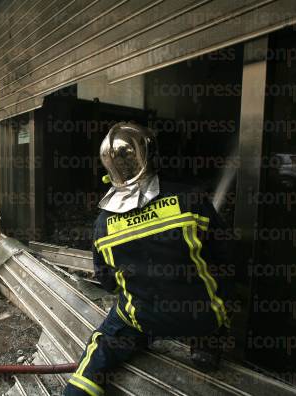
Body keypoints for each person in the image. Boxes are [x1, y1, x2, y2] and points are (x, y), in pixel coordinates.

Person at [64, 123, 232, 396]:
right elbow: (225, 257)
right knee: (216, 302)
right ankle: (207, 345)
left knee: (104, 342)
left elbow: (108, 283)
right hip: (202, 316)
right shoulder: (191, 199)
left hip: (144, 319)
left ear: (110, 171)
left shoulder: (103, 224)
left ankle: (78, 391)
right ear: (152, 154)